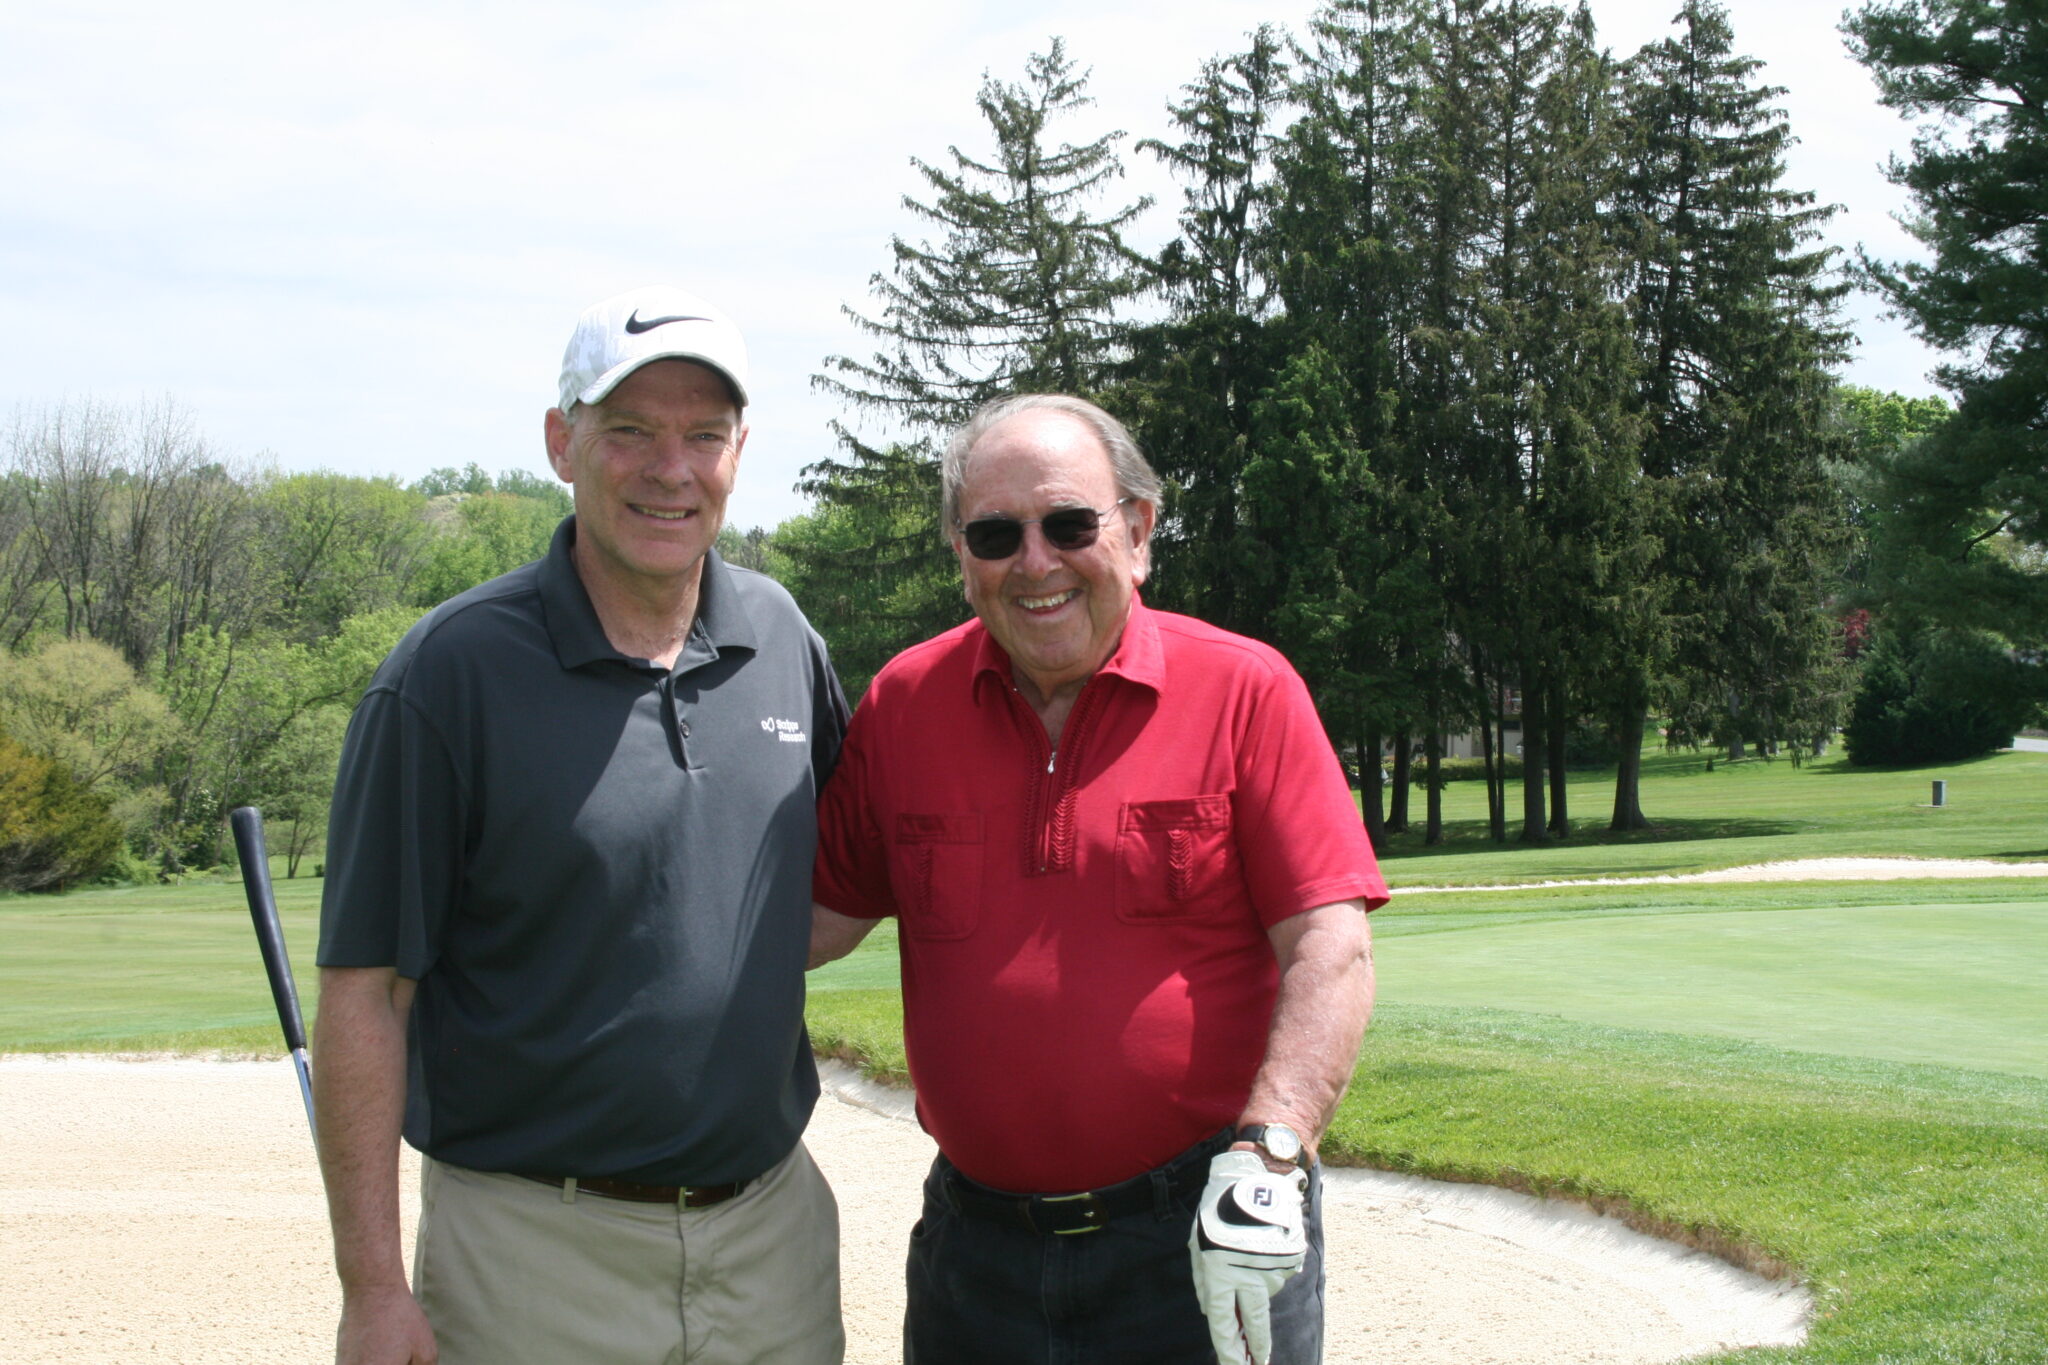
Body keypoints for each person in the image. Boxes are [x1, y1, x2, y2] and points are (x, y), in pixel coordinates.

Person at [314, 285, 849, 1365]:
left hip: (770, 1242)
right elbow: (366, 994)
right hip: (531, 1252)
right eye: (630, 432)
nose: (671, 469)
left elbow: (841, 876)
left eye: (704, 435)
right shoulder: (448, 675)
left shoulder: (781, 635)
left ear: (740, 451)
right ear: (562, 442)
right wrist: (371, 1288)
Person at [809, 394, 1388, 1365]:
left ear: (1136, 530)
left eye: (1069, 524)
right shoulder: (903, 705)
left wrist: (1274, 1149)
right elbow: (811, 922)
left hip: (1200, 1232)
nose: (1034, 563)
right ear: (962, 556)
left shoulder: (1245, 690)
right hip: (975, 1259)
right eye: (995, 534)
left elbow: (1329, 941)